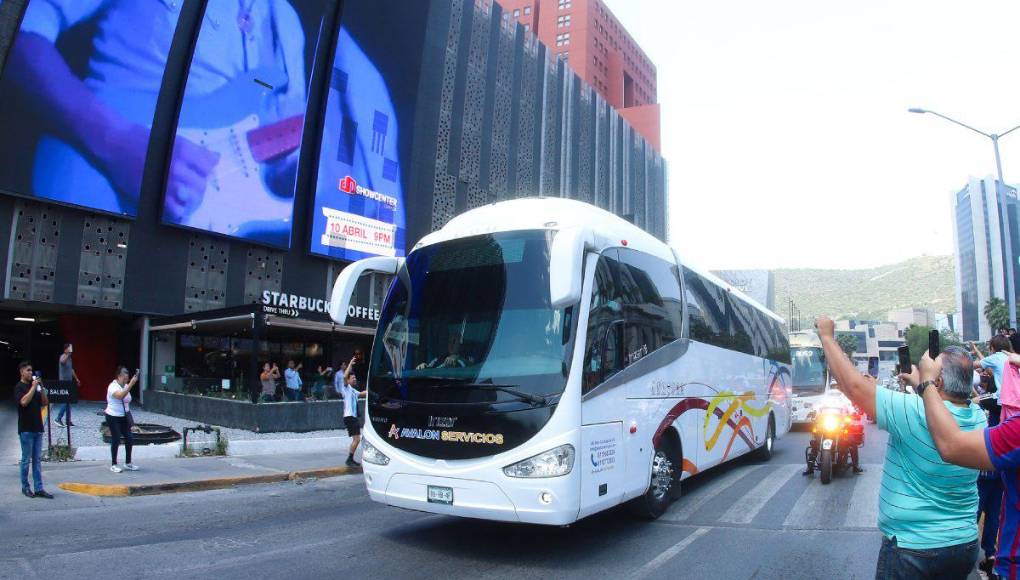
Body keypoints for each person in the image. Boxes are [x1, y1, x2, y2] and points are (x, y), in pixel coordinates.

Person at [816, 317, 985, 579]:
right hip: (963, 546)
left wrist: (827, 336)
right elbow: (937, 408)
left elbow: (854, 386)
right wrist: (922, 384)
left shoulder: (912, 411)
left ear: (937, 383)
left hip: (913, 550)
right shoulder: (979, 417)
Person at [15, 362, 53, 499]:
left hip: (37, 428)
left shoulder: (36, 387)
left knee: (37, 460)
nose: (31, 373)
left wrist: (41, 387)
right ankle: (25, 487)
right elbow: (23, 402)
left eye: (32, 370)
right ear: (22, 372)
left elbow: (45, 402)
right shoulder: (19, 387)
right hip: (26, 429)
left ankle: (39, 488)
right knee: (26, 460)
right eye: (28, 370)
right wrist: (33, 387)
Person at [105, 366, 139, 473]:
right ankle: (114, 464)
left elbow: (127, 406)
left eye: (127, 376)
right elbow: (120, 396)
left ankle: (128, 462)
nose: (126, 377)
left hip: (123, 416)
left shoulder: (126, 386)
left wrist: (131, 422)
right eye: (124, 375)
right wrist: (131, 384)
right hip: (112, 416)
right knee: (116, 438)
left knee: (129, 438)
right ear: (119, 376)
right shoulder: (113, 386)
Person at [973, 336, 1012, 425]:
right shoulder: (1012, 357)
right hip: (1012, 399)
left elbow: (973, 365)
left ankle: (979, 425)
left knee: (973, 401)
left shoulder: (996, 357)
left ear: (993, 348)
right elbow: (990, 371)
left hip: (1000, 398)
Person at [340, 374, 366, 467]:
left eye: (355, 377)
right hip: (350, 417)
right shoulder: (347, 388)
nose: (355, 379)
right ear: (348, 380)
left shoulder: (353, 391)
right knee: (357, 439)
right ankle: (349, 459)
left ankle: (350, 459)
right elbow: (344, 377)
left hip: (352, 417)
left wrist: (372, 389)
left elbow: (362, 393)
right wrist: (350, 363)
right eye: (353, 378)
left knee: (357, 439)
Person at [55, 342, 80, 427]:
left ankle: (68, 420)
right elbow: (62, 362)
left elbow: (71, 370)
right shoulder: (63, 356)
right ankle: (58, 418)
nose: (71, 350)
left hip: (69, 382)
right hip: (63, 382)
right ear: (66, 349)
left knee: (68, 401)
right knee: (65, 401)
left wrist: (76, 379)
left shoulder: (70, 358)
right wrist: (68, 354)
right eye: (69, 348)